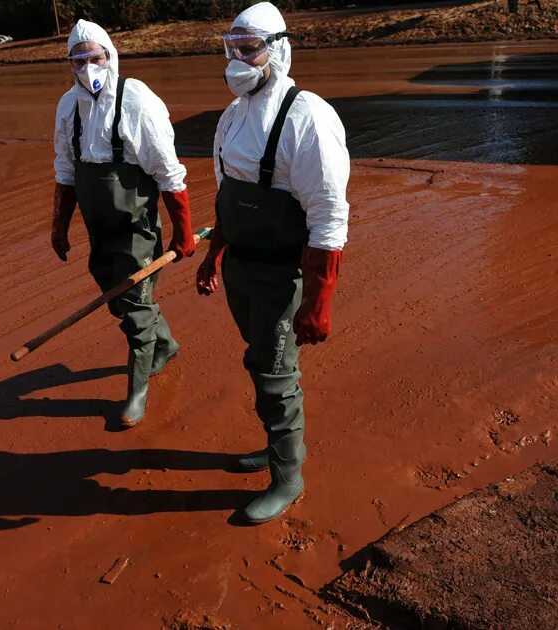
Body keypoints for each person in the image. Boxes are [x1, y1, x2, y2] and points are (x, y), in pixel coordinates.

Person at [196, 2, 350, 524]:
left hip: (284, 273)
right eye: (231, 47)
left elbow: (328, 216)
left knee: (277, 373)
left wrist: (318, 303)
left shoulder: (308, 117)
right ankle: (277, 449)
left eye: (249, 48)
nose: (238, 58)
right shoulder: (232, 117)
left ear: (277, 50)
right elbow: (224, 196)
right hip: (243, 268)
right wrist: (214, 255)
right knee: (261, 363)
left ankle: (288, 478)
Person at [52, 20, 196, 429]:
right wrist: (59, 227)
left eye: (95, 58)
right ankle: (164, 344)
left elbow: (169, 174)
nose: (88, 68)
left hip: (135, 226)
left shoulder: (135, 100)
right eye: (78, 61)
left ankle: (137, 390)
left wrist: (184, 232)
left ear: (111, 56)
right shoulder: (68, 107)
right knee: (119, 298)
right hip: (98, 226)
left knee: (132, 305)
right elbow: (65, 169)